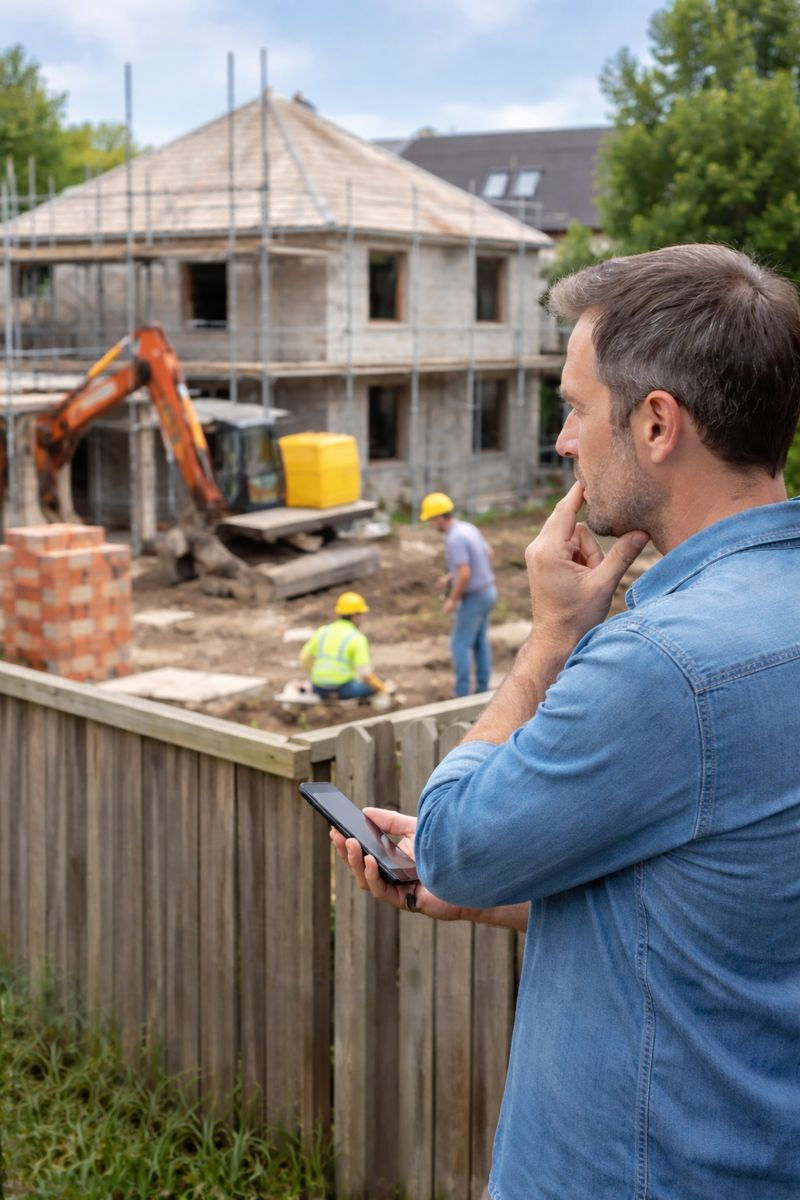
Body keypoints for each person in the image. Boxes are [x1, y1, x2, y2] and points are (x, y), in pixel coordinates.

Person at [333, 244, 800, 1199]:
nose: (563, 443)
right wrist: (484, 894)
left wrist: (551, 639)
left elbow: (454, 841)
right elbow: (723, 916)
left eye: (576, 407)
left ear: (658, 423)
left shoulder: (663, 666)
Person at [419, 491, 497, 696]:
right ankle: (482, 688)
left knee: (459, 644)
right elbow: (488, 554)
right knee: (480, 641)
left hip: (474, 598)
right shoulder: (468, 528)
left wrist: (453, 600)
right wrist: (450, 576)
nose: (430, 525)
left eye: (430, 520)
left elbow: (464, 573)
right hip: (488, 591)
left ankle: (461, 693)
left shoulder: (454, 539)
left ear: (439, 518)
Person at [300, 591, 387, 700]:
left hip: (319, 688)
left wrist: (315, 674)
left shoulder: (323, 631)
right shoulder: (357, 638)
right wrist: (382, 688)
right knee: (371, 687)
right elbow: (366, 674)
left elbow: (304, 658)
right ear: (355, 616)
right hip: (342, 689)